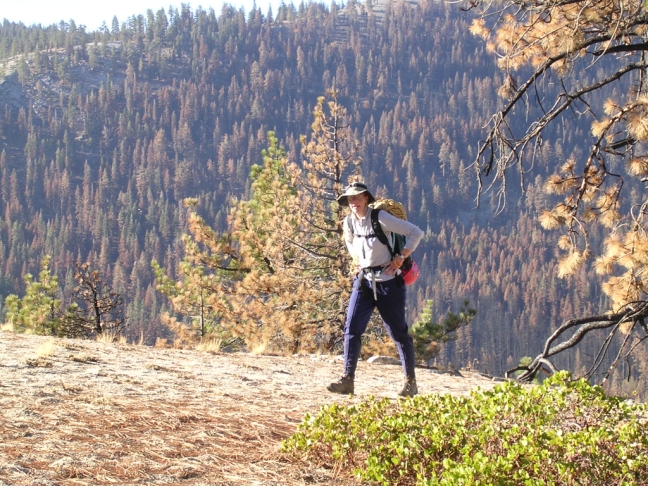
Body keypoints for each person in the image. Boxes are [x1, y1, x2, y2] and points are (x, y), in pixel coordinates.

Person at [328, 182, 424, 397]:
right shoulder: (349, 222)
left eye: (357, 198)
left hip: (389, 283)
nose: (353, 202)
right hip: (363, 281)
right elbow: (349, 242)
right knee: (352, 329)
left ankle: (411, 383)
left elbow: (415, 233)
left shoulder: (380, 218)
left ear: (366, 198)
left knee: (398, 333)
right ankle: (347, 380)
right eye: (350, 199)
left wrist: (400, 258)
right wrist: (357, 262)